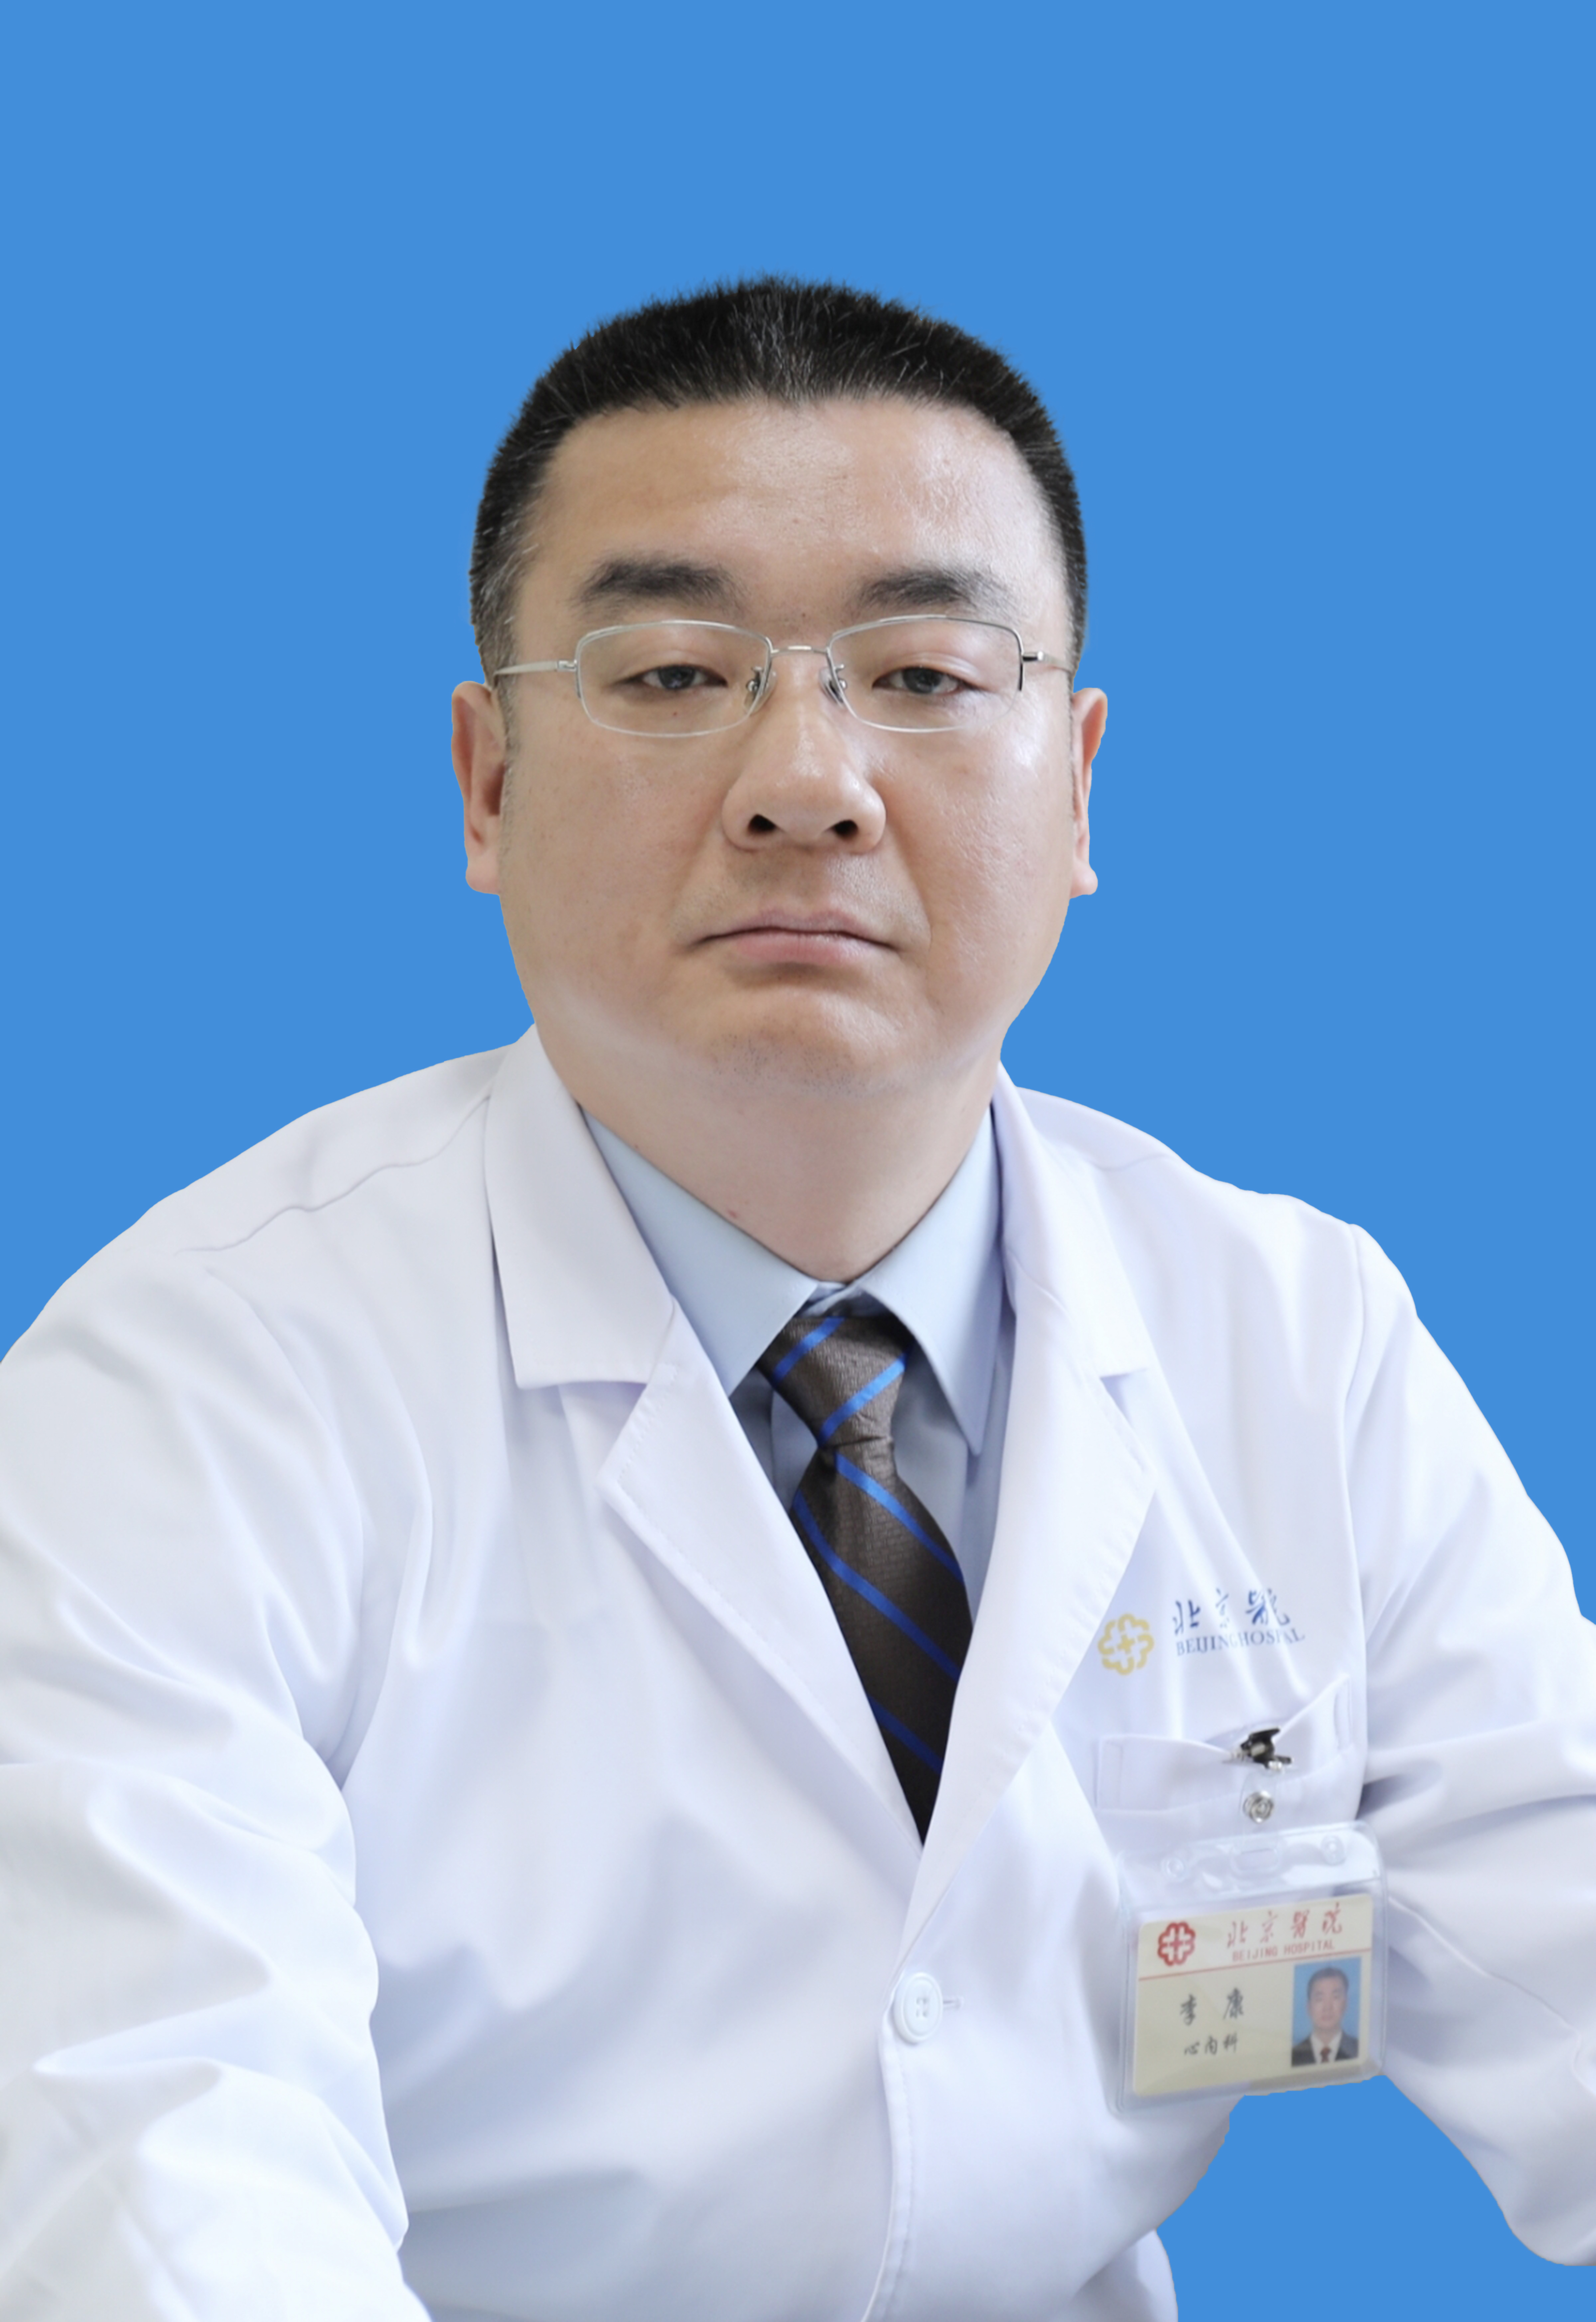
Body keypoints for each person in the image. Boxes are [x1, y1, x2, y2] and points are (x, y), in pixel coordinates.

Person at [0, 278, 1591, 2322]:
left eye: (924, 673)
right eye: (673, 673)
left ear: (1078, 785)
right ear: (483, 784)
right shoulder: (188, 1391)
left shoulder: (1292, 1340)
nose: (807, 781)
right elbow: (158, 2172)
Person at [1291, 1967, 1360, 2068]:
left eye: (1336, 1997)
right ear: (1309, 2007)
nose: (1327, 2007)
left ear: (1345, 2004)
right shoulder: (1293, 2056)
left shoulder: (1360, 2050)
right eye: (1320, 1999)